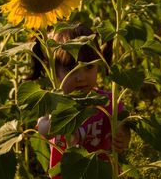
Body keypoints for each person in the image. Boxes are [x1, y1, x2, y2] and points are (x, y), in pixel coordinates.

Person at [35, 22, 130, 178]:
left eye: (88, 67)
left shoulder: (105, 101)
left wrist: (122, 137)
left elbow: (123, 123)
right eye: (70, 69)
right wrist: (57, 121)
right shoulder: (54, 101)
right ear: (54, 69)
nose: (80, 77)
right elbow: (43, 129)